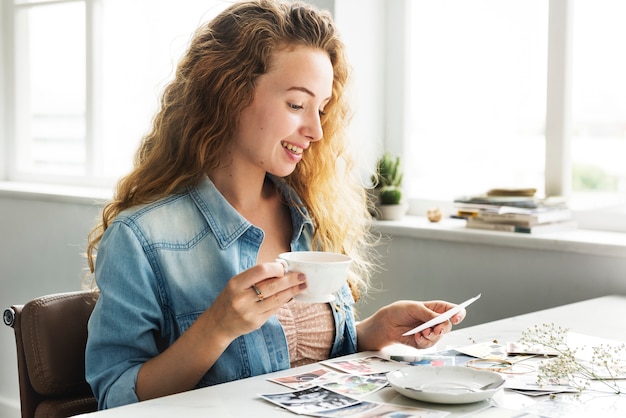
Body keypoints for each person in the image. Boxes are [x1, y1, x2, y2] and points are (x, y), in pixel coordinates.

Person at [84, 0, 466, 410]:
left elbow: (300, 355)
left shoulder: (307, 213)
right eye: (297, 105)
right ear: (229, 92)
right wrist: (216, 329)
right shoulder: (141, 239)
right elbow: (115, 397)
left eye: (320, 109)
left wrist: (374, 330)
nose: (317, 130)